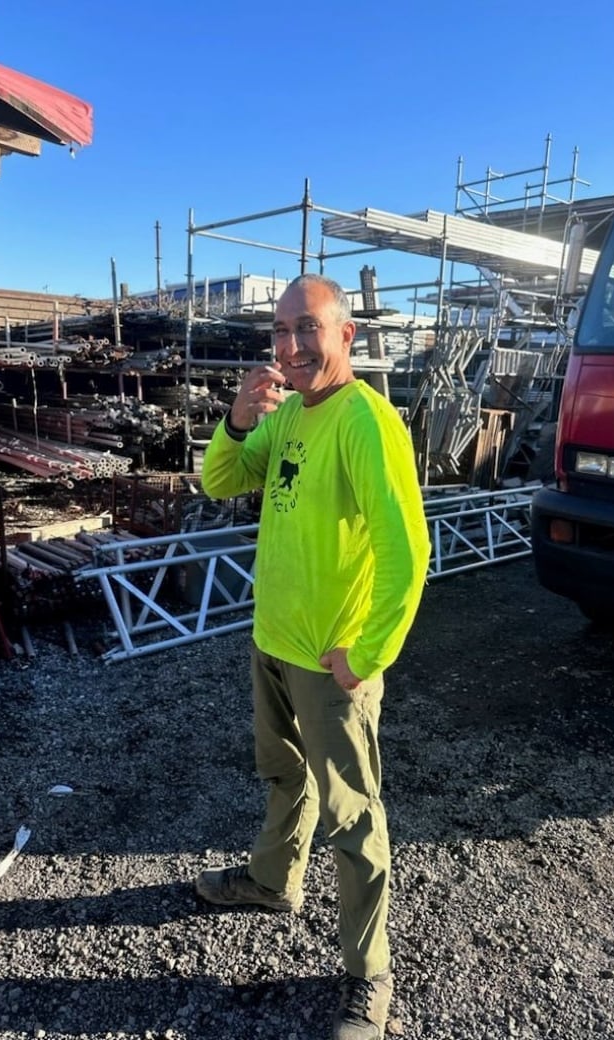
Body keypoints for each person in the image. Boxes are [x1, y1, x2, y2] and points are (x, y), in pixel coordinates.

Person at [195, 272, 430, 1039]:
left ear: (345, 335)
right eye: (281, 331)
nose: (291, 346)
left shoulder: (366, 422)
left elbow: (408, 553)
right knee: (281, 773)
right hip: (274, 639)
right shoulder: (290, 413)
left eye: (308, 329)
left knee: (353, 819)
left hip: (331, 662)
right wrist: (235, 422)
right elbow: (219, 482)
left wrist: (368, 654)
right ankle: (272, 880)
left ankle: (371, 972)